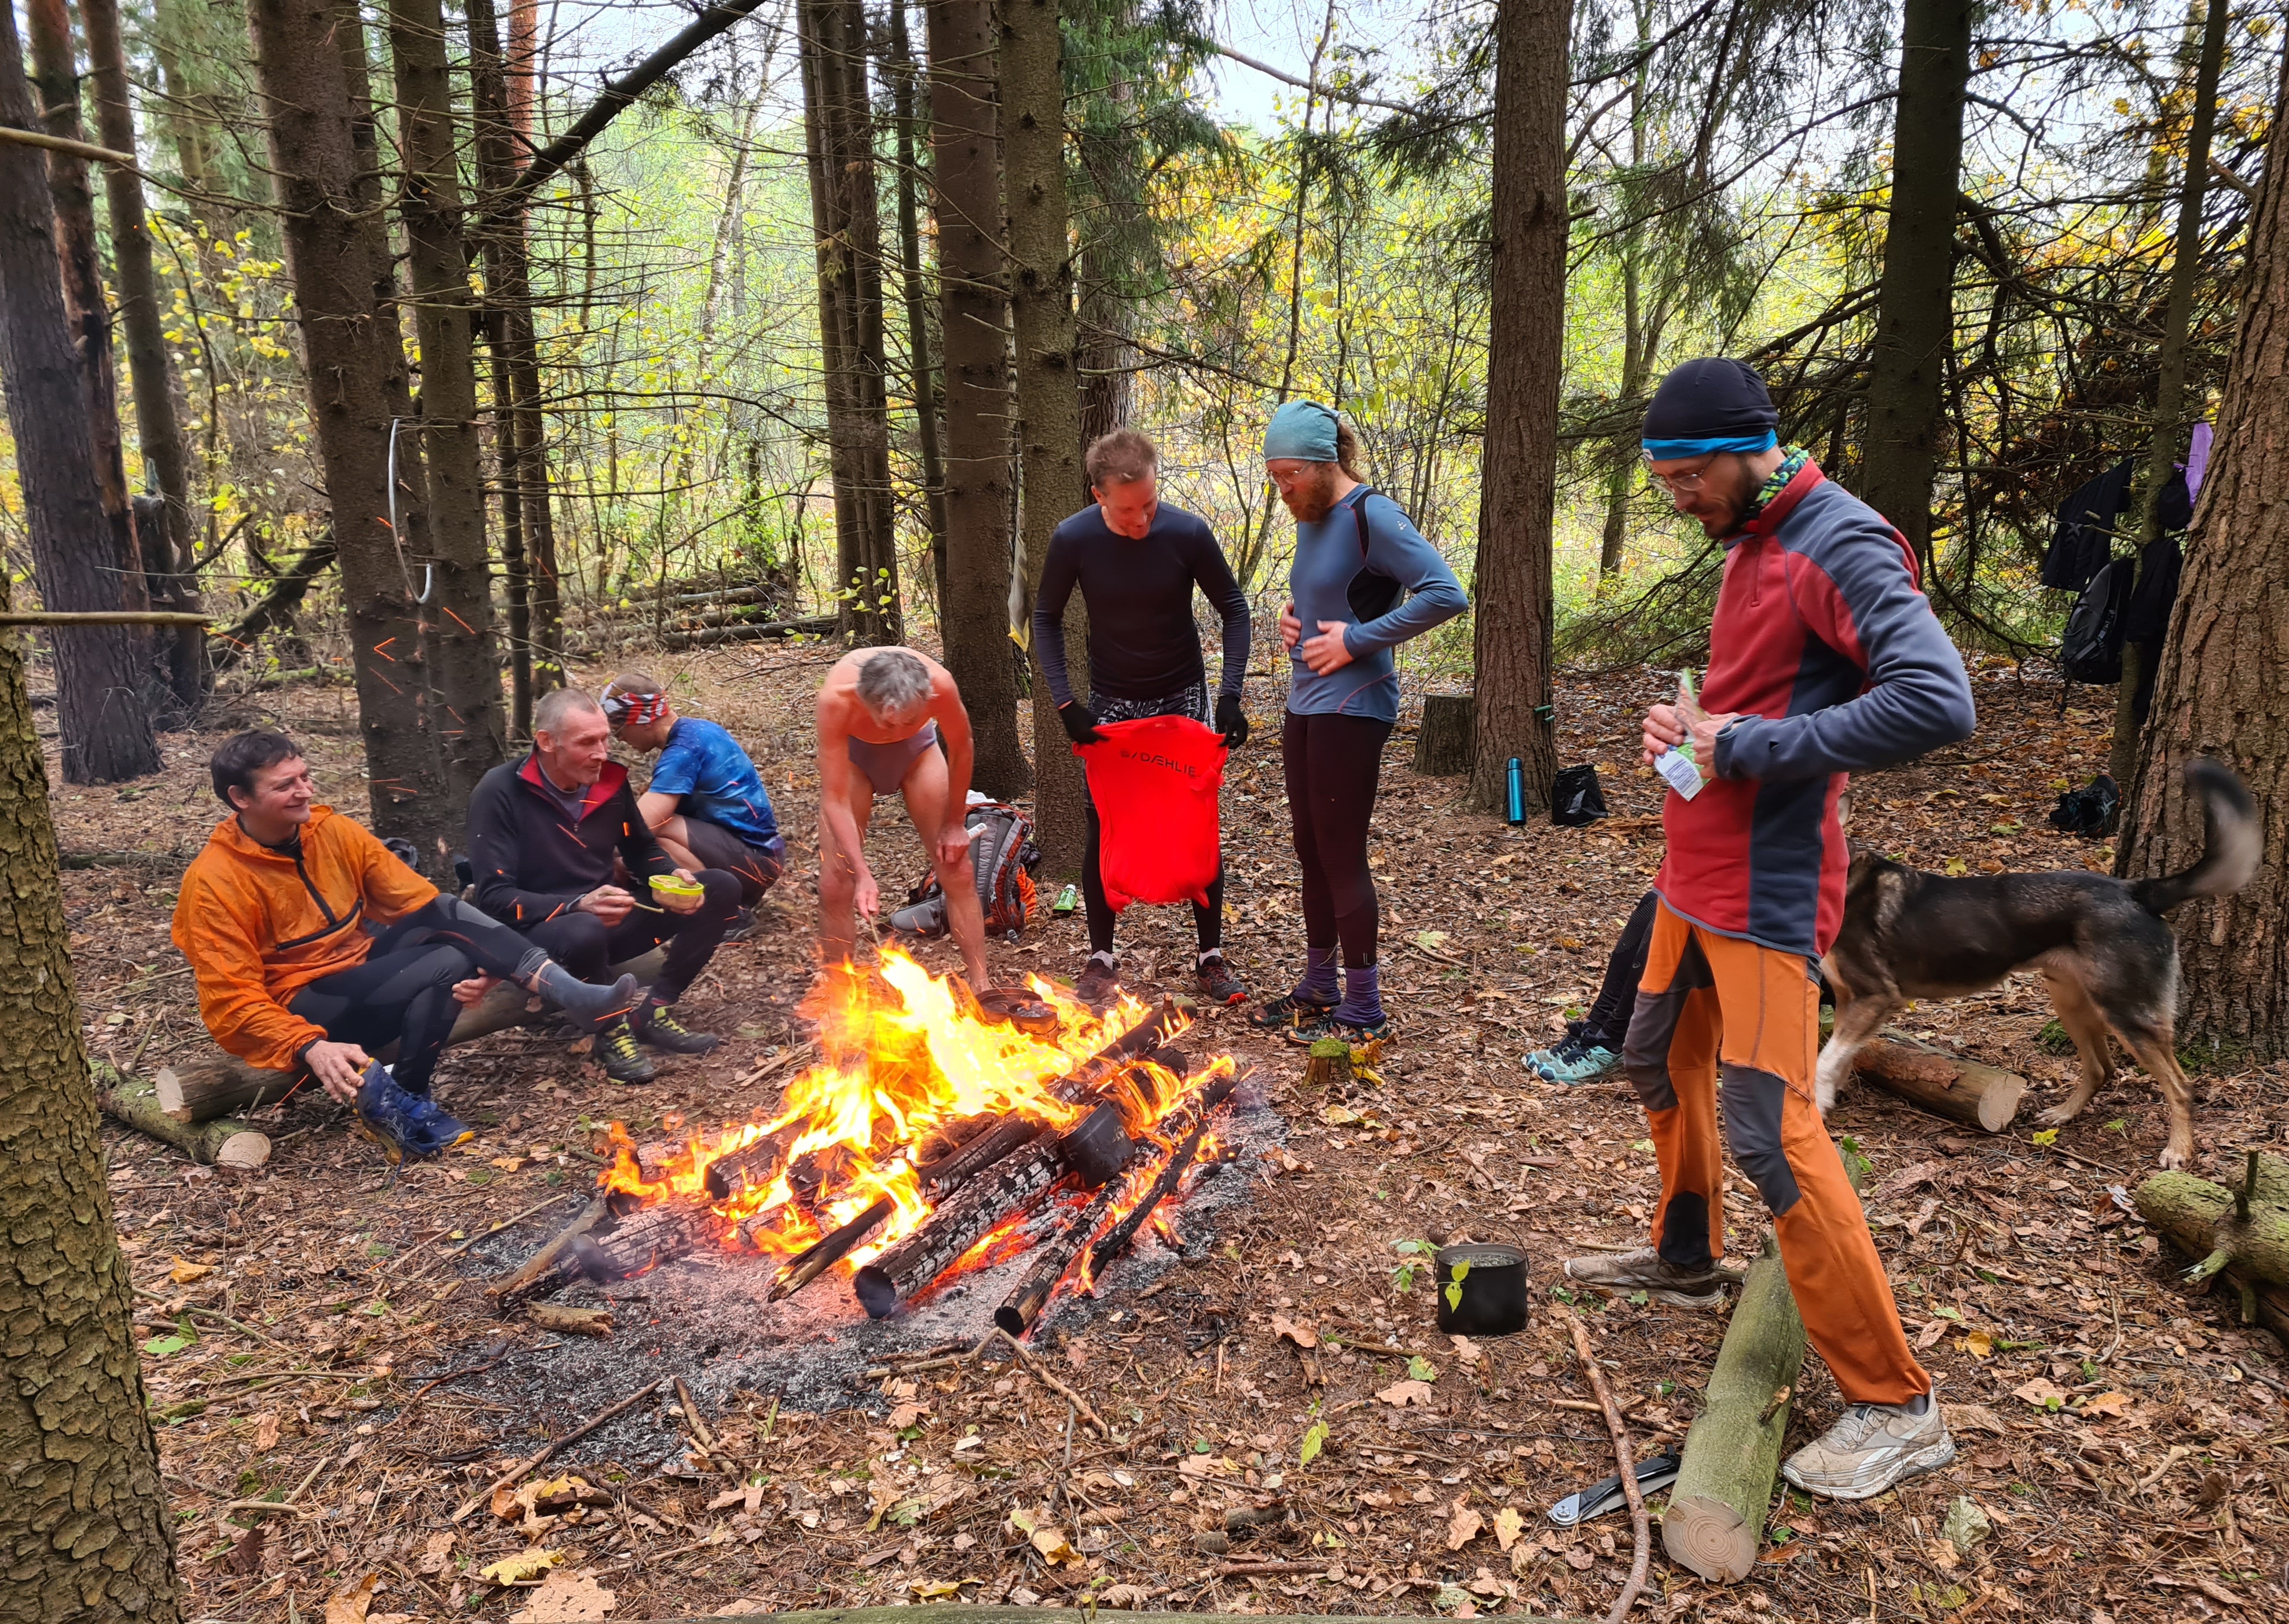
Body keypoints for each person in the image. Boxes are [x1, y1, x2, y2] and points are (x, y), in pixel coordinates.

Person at [1562, 356, 1976, 1501]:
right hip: (1692, 876)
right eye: (1660, 480)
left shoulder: (1840, 540)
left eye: (1686, 477)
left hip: (1768, 892)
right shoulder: (1753, 532)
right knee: (1653, 1058)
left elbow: (1937, 699)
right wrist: (1689, 728)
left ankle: (1898, 1404)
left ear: (1750, 448)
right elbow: (1766, 701)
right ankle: (1687, 1259)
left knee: (1772, 1132)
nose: (1675, 498)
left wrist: (1742, 744)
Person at [173, 731, 640, 1160]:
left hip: (359, 972)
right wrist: (308, 1045)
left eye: (305, 776)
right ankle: (403, 1100)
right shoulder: (215, 881)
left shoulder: (332, 832)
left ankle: (415, 1090)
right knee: (446, 961)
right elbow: (231, 1001)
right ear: (241, 798)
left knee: (446, 914)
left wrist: (491, 962)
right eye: (285, 785)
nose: (306, 791)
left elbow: (418, 903)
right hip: (299, 1005)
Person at [1249, 400, 1468, 1043]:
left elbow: (1446, 593)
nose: (1283, 489)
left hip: (1355, 703)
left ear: (1325, 463)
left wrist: (1356, 640)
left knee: (1340, 852)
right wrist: (1294, 623)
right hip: (1305, 699)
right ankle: (1320, 986)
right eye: (1275, 477)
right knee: (1309, 849)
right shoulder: (1312, 516)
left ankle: (1365, 1007)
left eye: (1290, 475)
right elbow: (1328, 600)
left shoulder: (1374, 515)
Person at [1033, 427, 1253, 1007]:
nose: (1142, 520)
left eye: (1150, 504)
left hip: (1181, 696)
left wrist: (1230, 695)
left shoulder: (1186, 532)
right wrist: (1066, 704)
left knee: (1194, 819)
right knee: (1105, 821)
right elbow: (1045, 618)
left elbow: (1234, 609)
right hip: (1113, 702)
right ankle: (1101, 959)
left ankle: (1210, 958)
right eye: (1128, 510)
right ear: (1099, 495)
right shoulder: (1074, 538)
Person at [466, 688, 742, 1084]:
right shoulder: (500, 792)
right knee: (584, 928)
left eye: (605, 739)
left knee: (719, 887)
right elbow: (494, 898)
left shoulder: (608, 782)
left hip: (606, 922)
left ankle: (654, 1011)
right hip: (538, 941)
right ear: (547, 742)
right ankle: (611, 1029)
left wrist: (669, 876)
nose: (601, 753)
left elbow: (641, 848)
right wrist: (578, 904)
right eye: (587, 743)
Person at [813, 646, 992, 989]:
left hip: (918, 755)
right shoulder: (836, 700)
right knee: (836, 882)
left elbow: (962, 747)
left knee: (956, 866)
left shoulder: (940, 685)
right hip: (855, 759)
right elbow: (835, 800)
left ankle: (981, 984)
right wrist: (862, 872)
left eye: (909, 719)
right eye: (887, 722)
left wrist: (955, 824)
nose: (893, 730)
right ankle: (839, 997)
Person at [600, 674, 787, 926]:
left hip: (755, 861)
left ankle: (727, 913)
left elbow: (640, 826)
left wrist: (590, 851)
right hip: (755, 854)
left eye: (619, 729)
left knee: (652, 831)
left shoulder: (683, 752)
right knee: (631, 855)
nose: (619, 738)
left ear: (642, 720)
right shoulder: (699, 730)